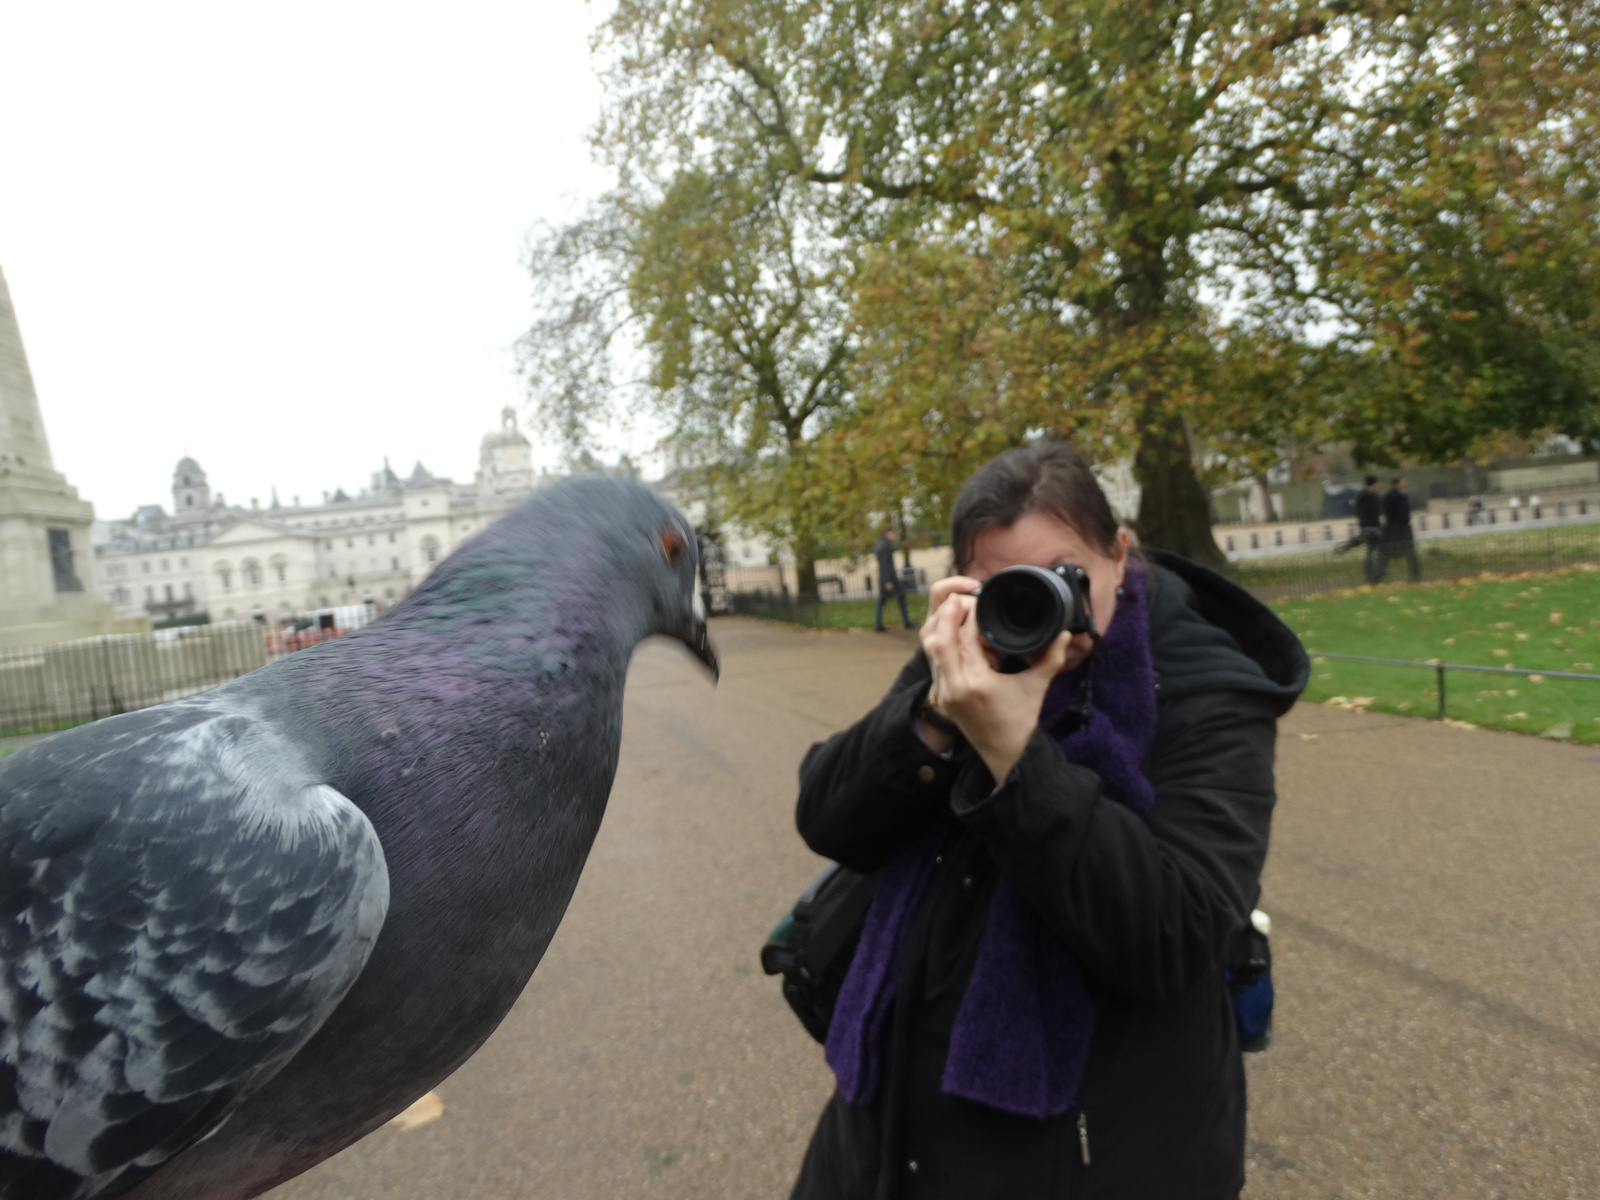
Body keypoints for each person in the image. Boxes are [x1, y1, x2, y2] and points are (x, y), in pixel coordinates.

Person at [791, 442, 1308, 1199]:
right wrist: (934, 713)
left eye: (1063, 577)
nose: (1035, 608)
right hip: (883, 1130)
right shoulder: (973, 650)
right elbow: (829, 818)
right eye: (1006, 587)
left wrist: (1011, 754)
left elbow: (1175, 935)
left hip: (1089, 1154)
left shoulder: (1205, 689)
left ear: (1119, 552)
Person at [1379, 475, 1421, 582]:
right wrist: (1405, 520)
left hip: (1390, 527)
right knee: (1409, 551)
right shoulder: (1401, 495)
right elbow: (1403, 513)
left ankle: (1380, 573)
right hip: (1401, 528)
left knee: (1387, 551)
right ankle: (1415, 574)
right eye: (1403, 481)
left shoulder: (1387, 496)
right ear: (1398, 483)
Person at [873, 526, 914, 631]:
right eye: (893, 533)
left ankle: (879, 624)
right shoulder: (884, 547)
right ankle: (906, 621)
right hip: (889, 578)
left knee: (884, 600)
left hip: (888, 578)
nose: (895, 536)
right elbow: (884, 566)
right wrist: (887, 581)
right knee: (899, 596)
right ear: (887, 533)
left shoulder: (883, 545)